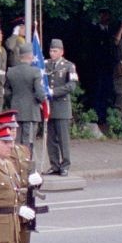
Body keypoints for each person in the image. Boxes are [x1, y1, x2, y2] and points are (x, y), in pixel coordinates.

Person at [45, 39, 78, 175]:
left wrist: (54, 92)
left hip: (62, 107)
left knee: (63, 139)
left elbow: (71, 86)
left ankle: (65, 165)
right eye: (51, 51)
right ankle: (54, 165)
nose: (52, 53)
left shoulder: (69, 66)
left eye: (55, 51)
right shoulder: (46, 65)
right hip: (49, 107)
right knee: (51, 139)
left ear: (61, 52)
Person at [6, 48, 46, 148]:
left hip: (15, 110)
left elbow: (6, 92)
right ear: (30, 57)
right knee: (28, 141)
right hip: (31, 111)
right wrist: (42, 101)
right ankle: (27, 161)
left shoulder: (11, 71)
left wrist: (12, 101)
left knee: (16, 140)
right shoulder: (35, 72)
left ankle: (16, 161)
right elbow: (39, 92)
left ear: (20, 57)